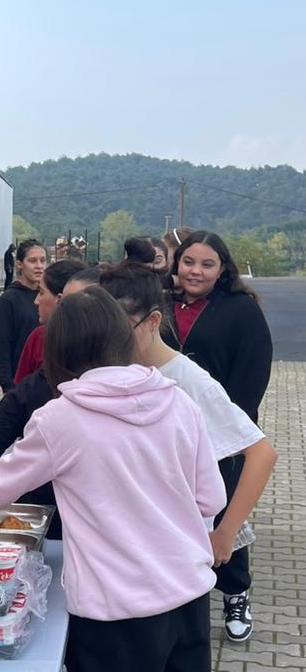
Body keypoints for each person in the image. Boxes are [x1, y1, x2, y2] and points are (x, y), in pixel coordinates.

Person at [0, 287, 226, 672]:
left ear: (58, 350)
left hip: (115, 615)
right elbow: (210, 498)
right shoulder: (179, 401)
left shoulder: (61, 418)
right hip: (188, 599)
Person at [99, 257, 277, 623]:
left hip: (179, 552)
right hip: (128, 546)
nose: (108, 339)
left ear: (152, 321)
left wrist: (226, 533)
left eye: (119, 327)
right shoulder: (114, 370)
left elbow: (261, 454)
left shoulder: (189, 381)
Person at [163, 230, 273, 642]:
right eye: (189, 261)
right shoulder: (162, 304)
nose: (196, 271)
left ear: (222, 269)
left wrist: (231, 426)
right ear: (177, 263)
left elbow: (253, 371)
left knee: (226, 513)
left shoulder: (241, 310)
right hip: (166, 431)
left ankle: (235, 592)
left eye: (207, 264)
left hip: (221, 434)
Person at [0, 266, 99, 540]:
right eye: (65, 304)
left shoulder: (127, 387)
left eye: (78, 306)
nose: (38, 301)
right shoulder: (42, 379)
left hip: (95, 532)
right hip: (41, 519)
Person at [13, 259, 87, 383]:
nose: (36, 301)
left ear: (60, 299)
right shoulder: (38, 337)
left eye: (41, 292)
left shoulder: (42, 337)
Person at [0, 238, 45, 392]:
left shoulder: (48, 296)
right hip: (20, 379)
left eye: (42, 260)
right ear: (19, 264)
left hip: (45, 376)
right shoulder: (9, 299)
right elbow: (3, 344)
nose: (39, 266)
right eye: (32, 261)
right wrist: (7, 384)